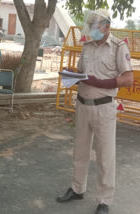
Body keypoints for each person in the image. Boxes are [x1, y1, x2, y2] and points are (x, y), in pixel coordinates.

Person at [56, 9, 133, 214]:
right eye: (89, 24)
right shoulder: (87, 46)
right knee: (80, 151)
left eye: (95, 24)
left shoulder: (118, 46)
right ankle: (77, 188)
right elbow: (83, 74)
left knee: (105, 157)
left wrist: (99, 82)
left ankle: (104, 201)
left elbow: (128, 79)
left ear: (106, 26)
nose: (92, 28)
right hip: (82, 105)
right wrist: (71, 74)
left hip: (104, 108)